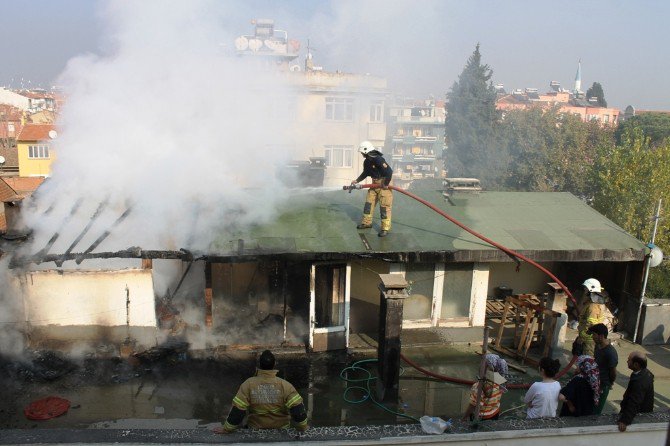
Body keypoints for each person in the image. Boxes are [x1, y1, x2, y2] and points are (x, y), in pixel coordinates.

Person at [214, 350, 308, 433]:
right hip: (281, 429)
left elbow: (238, 411)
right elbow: (298, 411)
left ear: (259, 365)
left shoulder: (248, 384)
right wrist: (303, 427)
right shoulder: (285, 385)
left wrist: (226, 429)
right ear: (274, 364)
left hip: (255, 429)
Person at [350, 140, 393, 237]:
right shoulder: (367, 162)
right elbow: (365, 173)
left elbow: (389, 172)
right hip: (374, 184)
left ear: (366, 151)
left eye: (362, 152)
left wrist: (386, 184)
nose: (361, 154)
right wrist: (357, 181)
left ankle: (384, 228)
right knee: (369, 203)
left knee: (384, 207)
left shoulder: (378, 159)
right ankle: (367, 223)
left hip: (384, 184)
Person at [462, 354, 508, 421]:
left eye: (483, 363)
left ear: (487, 367)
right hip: (495, 413)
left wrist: (464, 418)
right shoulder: (500, 380)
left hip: (481, 417)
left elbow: (473, 406)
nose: (480, 364)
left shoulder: (478, 386)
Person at [618, 351, 654, 432]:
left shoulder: (640, 382)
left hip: (640, 414)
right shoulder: (645, 373)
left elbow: (635, 402)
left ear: (636, 365)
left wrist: (624, 421)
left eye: (629, 360)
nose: (627, 361)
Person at [588, 323, 618, 414]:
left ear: (601, 336)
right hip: (594, 381)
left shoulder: (610, 353)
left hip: (603, 385)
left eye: (594, 335)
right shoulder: (598, 346)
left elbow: (613, 372)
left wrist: (609, 383)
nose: (592, 337)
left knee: (596, 411)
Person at [576, 278, 607, 356]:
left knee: (587, 359)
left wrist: (582, 335)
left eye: (586, 288)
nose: (584, 290)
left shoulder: (593, 306)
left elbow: (591, 323)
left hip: (588, 339)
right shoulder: (597, 302)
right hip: (591, 337)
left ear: (590, 289)